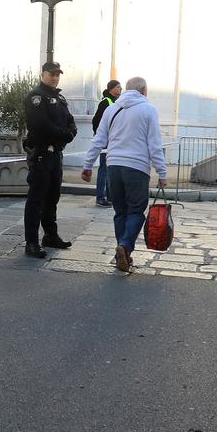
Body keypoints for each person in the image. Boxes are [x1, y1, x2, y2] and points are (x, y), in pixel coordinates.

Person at [81, 76, 168, 273]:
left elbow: (99, 139)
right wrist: (162, 172)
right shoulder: (148, 110)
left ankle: (123, 253)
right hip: (137, 168)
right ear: (144, 90)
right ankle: (125, 246)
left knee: (120, 212)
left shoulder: (112, 109)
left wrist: (88, 165)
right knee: (136, 211)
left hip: (113, 166)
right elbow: (154, 145)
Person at [22, 61, 77, 259]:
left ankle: (50, 235)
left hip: (56, 154)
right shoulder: (36, 97)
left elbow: (70, 121)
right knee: (36, 199)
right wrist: (64, 134)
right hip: (42, 153)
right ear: (43, 74)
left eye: (57, 75)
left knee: (53, 196)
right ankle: (31, 242)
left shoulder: (59, 97)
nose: (55, 78)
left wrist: (70, 133)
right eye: (51, 74)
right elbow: (41, 125)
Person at [92, 79, 122, 207]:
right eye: (118, 87)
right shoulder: (105, 102)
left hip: (113, 141)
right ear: (111, 89)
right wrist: (101, 136)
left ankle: (110, 196)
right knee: (104, 169)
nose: (121, 89)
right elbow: (96, 121)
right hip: (106, 141)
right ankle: (100, 197)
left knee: (111, 169)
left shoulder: (115, 102)